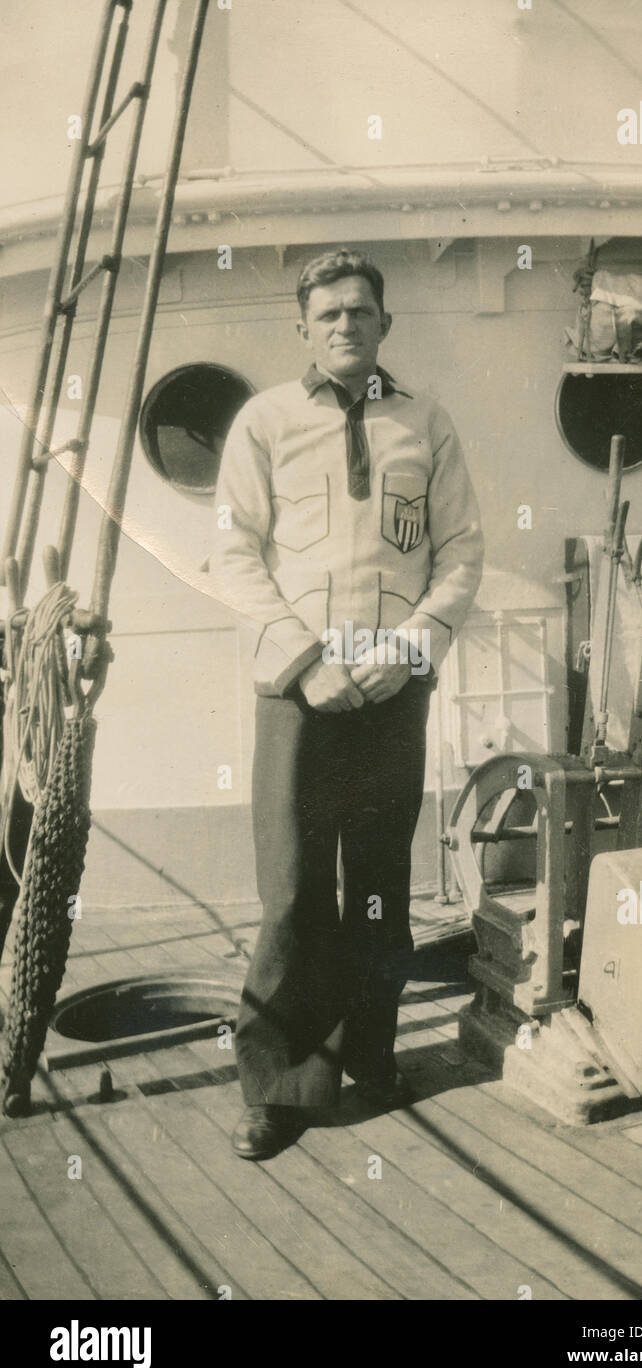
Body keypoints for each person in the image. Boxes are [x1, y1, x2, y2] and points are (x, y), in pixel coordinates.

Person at [212, 247, 483, 1160]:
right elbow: (234, 557)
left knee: (377, 889)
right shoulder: (265, 423)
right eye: (327, 313)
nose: (344, 325)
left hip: (392, 691)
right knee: (293, 892)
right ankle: (280, 1089)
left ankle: (370, 1057)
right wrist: (301, 662)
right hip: (300, 693)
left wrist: (408, 653)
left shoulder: (425, 423)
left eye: (360, 311)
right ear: (302, 326)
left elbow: (462, 556)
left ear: (384, 323)